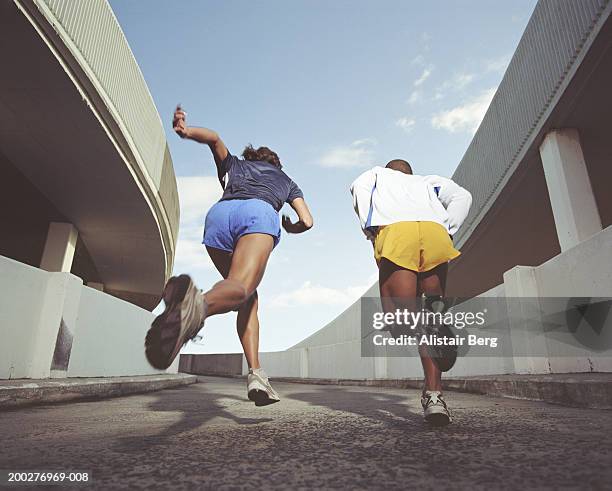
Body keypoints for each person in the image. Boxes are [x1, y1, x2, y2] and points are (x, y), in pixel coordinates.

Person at [145, 106, 313, 406]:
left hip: (220, 216)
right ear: (276, 163)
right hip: (258, 214)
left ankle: (257, 375)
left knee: (246, 296)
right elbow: (308, 221)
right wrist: (289, 225)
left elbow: (214, 139)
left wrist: (185, 130)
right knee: (241, 287)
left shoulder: (236, 165)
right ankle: (198, 307)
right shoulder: (286, 180)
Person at [350, 159, 472, 425]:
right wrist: (447, 228)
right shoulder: (427, 181)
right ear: (410, 172)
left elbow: (358, 187)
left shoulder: (377, 174)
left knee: (405, 319)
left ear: (389, 169)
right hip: (434, 231)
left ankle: (408, 321)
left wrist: (371, 227)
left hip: (398, 230)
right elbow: (464, 196)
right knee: (432, 309)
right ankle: (434, 396)